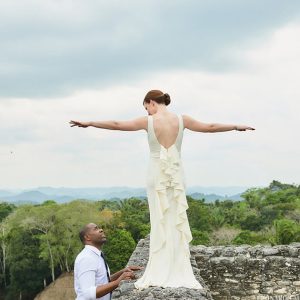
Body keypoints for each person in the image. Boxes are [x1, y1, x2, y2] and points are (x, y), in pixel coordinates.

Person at [70, 90, 254, 290]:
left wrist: (90, 123)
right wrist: (236, 126)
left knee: (159, 221)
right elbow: (210, 127)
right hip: (176, 176)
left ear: (151, 103)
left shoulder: (148, 121)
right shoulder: (183, 120)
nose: (148, 112)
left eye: (147, 107)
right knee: (175, 220)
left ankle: (161, 268)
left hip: (156, 176)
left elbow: (117, 125)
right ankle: (177, 268)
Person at [74, 223, 142, 300]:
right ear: (87, 237)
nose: (101, 230)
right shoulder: (86, 258)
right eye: (96, 229)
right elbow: (88, 293)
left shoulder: (96, 255)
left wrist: (122, 272)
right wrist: (118, 282)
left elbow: (102, 281)